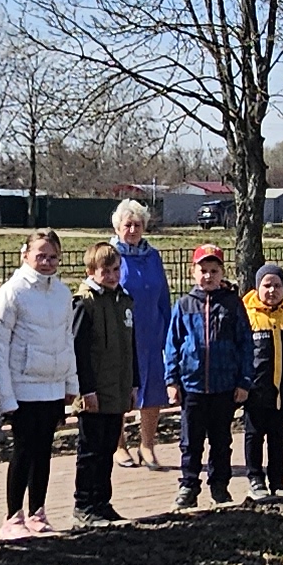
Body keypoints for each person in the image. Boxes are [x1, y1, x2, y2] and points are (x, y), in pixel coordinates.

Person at [0, 230, 75, 537]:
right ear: (25, 255)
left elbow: (67, 339)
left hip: (51, 386)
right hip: (22, 388)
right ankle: (13, 517)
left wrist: (70, 383)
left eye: (52, 257)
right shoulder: (12, 293)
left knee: (44, 453)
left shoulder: (63, 294)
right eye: (41, 256)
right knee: (22, 452)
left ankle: (38, 511)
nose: (47, 262)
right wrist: (4, 397)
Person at [162, 245, 253, 508]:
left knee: (221, 440)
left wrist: (244, 381)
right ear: (193, 272)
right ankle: (189, 485)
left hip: (225, 386)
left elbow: (245, 344)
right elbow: (172, 345)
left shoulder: (232, 305)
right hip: (192, 386)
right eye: (203, 271)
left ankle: (220, 486)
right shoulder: (184, 305)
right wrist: (172, 380)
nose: (208, 276)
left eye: (214, 271)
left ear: (222, 272)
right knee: (191, 441)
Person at [68, 241, 136, 529]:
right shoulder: (84, 303)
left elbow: (131, 347)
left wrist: (134, 384)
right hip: (94, 392)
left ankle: (102, 502)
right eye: (105, 271)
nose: (112, 276)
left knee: (108, 447)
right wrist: (87, 390)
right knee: (90, 450)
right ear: (91, 271)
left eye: (116, 270)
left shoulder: (124, 300)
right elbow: (79, 350)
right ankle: (84, 504)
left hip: (117, 388)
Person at [106, 200, 173, 468]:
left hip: (151, 334)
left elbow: (163, 297)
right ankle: (119, 445)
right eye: (128, 225)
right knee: (122, 390)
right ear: (118, 227)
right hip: (122, 334)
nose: (132, 230)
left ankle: (147, 445)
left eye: (138, 225)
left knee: (153, 391)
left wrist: (168, 333)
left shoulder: (152, 255)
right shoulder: (110, 255)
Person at [239, 263, 283, 497]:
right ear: (257, 287)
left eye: (277, 285)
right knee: (254, 435)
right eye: (266, 285)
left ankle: (277, 480)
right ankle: (255, 478)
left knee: (278, 437)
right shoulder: (247, 317)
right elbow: (238, 352)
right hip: (256, 391)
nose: (272, 290)